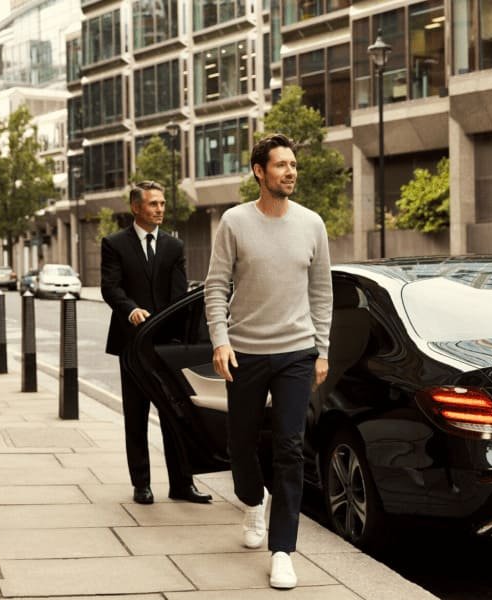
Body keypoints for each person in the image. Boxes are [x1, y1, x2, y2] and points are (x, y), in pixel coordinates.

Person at [204, 134, 332, 589]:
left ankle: (283, 549)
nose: (291, 172)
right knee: (239, 443)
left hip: (297, 352)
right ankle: (251, 502)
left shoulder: (313, 224)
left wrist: (322, 350)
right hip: (246, 352)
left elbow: (322, 291)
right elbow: (216, 286)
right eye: (281, 165)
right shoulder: (234, 222)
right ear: (260, 171)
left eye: (294, 164)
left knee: (290, 448)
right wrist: (220, 341)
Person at [101, 180, 212, 506]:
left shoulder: (173, 247)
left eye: (162, 204)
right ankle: (142, 485)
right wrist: (131, 309)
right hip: (131, 345)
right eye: (153, 204)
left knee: (175, 417)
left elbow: (178, 296)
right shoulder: (114, 244)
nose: (160, 209)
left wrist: (182, 338)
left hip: (165, 347)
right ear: (136, 207)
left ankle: (181, 484)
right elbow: (110, 287)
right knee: (136, 417)